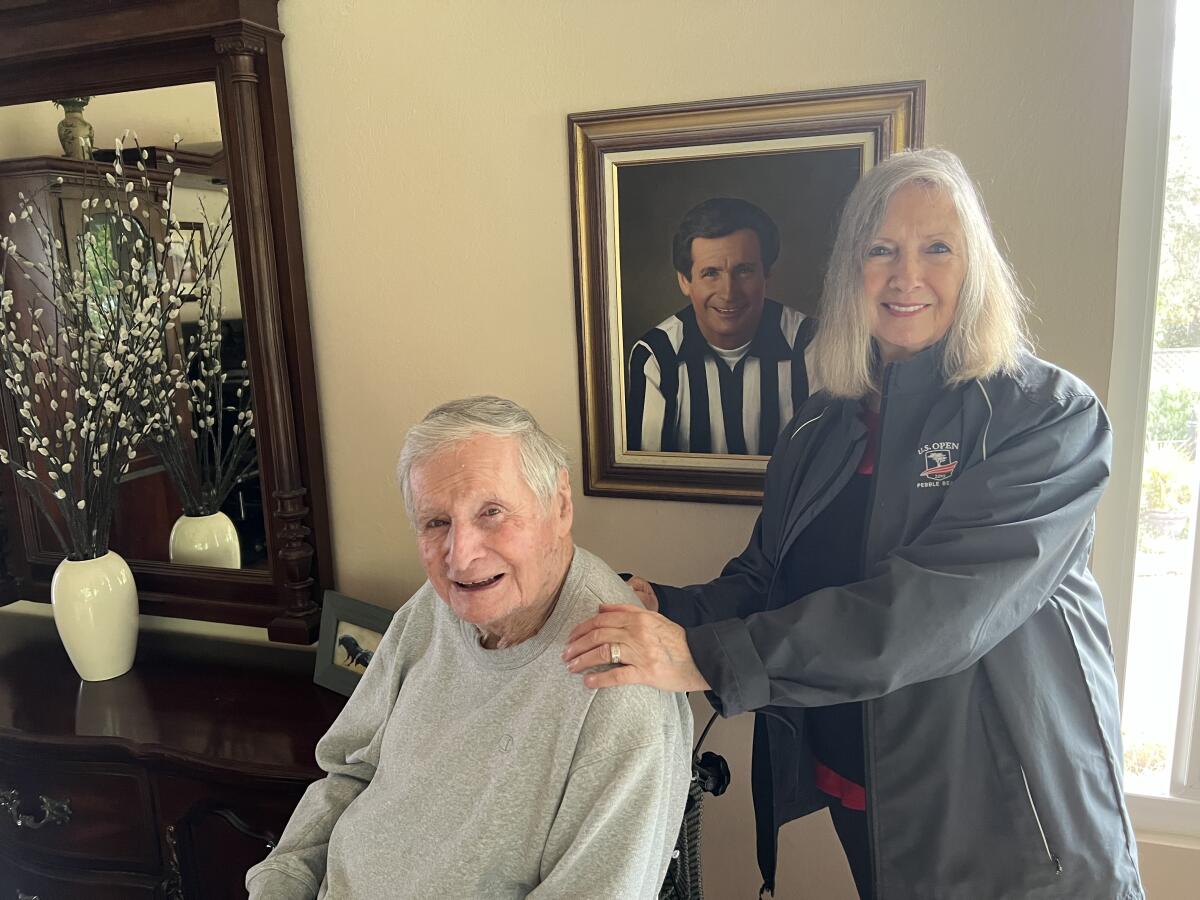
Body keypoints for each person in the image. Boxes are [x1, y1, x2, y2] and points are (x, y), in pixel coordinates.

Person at [565, 150, 1145, 899]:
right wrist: (663, 609)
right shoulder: (821, 423)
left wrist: (704, 657)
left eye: (937, 247)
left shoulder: (1046, 418)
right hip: (862, 792)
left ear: (975, 266)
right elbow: (765, 576)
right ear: (851, 271)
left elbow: (933, 612)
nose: (908, 276)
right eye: (882, 251)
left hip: (1007, 820)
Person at [247, 396, 692, 900]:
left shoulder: (619, 690)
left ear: (560, 506)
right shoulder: (435, 609)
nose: (461, 556)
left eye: (492, 512)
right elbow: (350, 770)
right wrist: (281, 881)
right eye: (436, 522)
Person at [626, 197, 816, 455]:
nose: (728, 293)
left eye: (744, 271)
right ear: (685, 281)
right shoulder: (657, 357)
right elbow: (648, 478)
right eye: (711, 273)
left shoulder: (811, 345)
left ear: (767, 275)